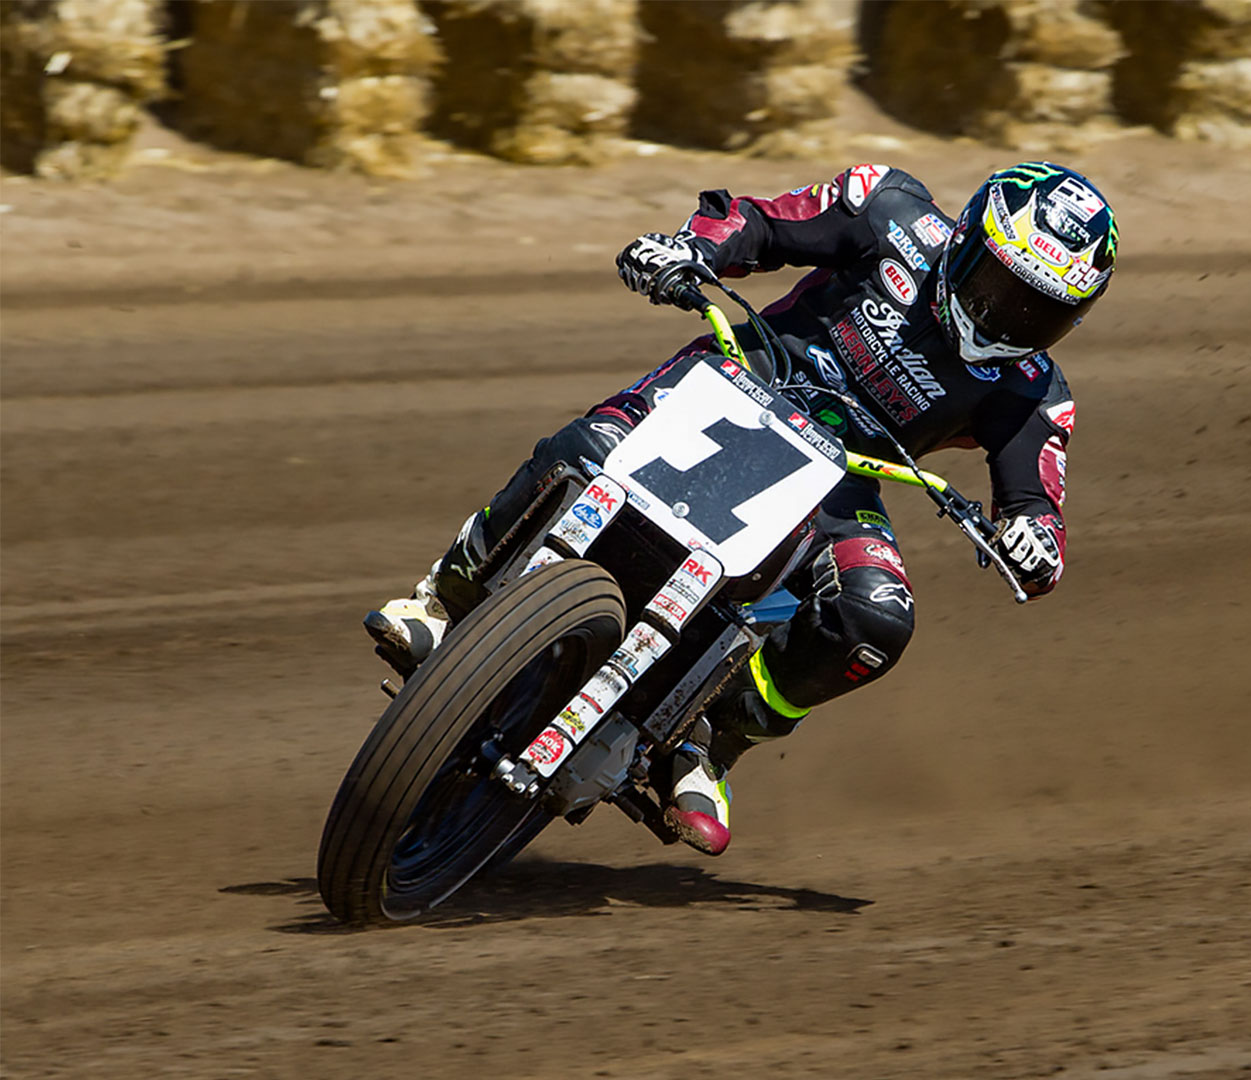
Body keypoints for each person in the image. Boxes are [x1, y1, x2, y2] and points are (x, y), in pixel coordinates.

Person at [365, 161, 1113, 855]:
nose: (1008, 317)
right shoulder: (887, 207)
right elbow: (757, 221)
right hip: (730, 382)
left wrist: (1030, 539)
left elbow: (1037, 500)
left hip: (839, 481)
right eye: (1001, 286)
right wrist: (689, 250)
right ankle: (447, 594)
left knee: (877, 616)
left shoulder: (1037, 390)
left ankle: (709, 744)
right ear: (967, 240)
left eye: (1039, 311)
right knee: (583, 450)